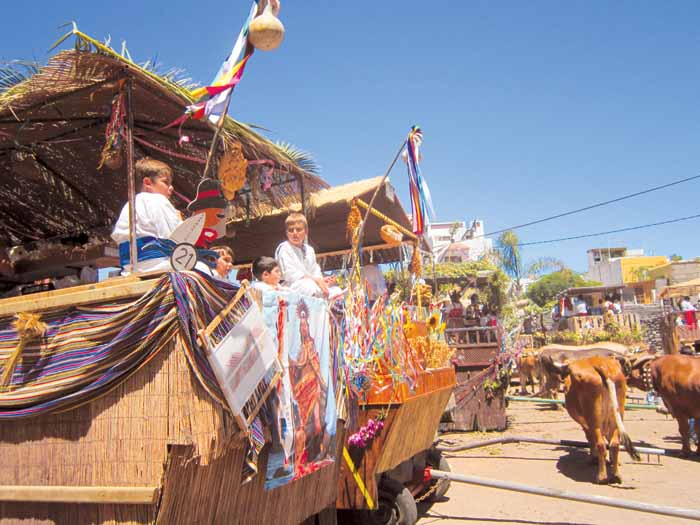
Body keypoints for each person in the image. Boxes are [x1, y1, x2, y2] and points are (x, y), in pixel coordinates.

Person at [111, 158, 182, 273]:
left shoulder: (129, 205)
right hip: (160, 264)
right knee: (210, 269)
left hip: (131, 268)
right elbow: (175, 238)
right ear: (148, 183)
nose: (171, 188)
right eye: (165, 182)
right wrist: (180, 221)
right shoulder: (158, 200)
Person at [275, 213, 332, 297]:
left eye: (298, 229)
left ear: (306, 231)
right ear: (286, 233)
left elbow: (315, 270)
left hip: (311, 284)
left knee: (335, 291)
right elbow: (290, 275)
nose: (295, 233)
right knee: (308, 286)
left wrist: (321, 281)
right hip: (291, 288)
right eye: (291, 230)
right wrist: (316, 281)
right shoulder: (284, 248)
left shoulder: (309, 250)